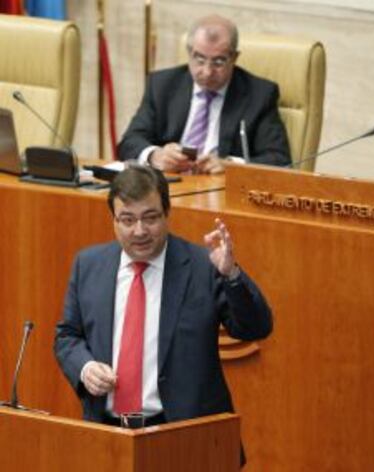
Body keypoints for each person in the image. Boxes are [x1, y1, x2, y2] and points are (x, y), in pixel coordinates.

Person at [54, 167, 273, 443]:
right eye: (127, 219)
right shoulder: (88, 265)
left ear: (167, 213)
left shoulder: (201, 267)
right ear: (114, 220)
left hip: (187, 437)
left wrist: (232, 276)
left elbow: (255, 328)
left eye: (150, 218)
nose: (139, 231)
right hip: (108, 436)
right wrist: (85, 368)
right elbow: (67, 337)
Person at [117, 14, 291, 174]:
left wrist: (231, 166)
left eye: (218, 62)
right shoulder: (162, 85)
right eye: (199, 60)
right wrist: (155, 156)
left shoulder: (259, 95)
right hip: (168, 187)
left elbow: (280, 160)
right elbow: (129, 141)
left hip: (221, 192)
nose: (207, 72)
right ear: (189, 53)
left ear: (234, 58)